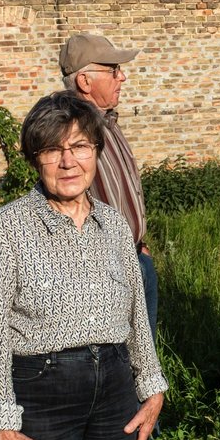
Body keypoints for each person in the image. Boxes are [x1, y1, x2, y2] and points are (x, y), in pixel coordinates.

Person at [0, 92, 167, 440]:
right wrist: (1, 429)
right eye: (52, 149)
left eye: (79, 146)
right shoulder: (9, 226)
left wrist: (152, 387)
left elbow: (136, 316)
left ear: (96, 151)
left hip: (115, 387)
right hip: (43, 393)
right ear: (33, 159)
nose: (68, 161)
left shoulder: (114, 224)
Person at [59, 33, 158, 339]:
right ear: (85, 82)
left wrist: (139, 244)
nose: (122, 77)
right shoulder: (69, 131)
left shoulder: (108, 123)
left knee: (143, 359)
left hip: (133, 256)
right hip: (104, 268)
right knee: (116, 362)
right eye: (113, 70)